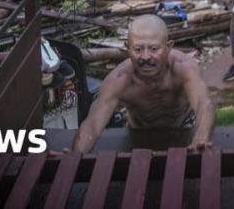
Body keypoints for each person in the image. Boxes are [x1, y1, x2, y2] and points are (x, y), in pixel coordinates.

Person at [72, 15, 215, 152]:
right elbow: (93, 124)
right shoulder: (120, 79)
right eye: (138, 49)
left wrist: (201, 137)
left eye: (154, 49)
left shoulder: (183, 67)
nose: (146, 57)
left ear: (168, 47)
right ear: (128, 48)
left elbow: (204, 103)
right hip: (139, 133)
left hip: (183, 126)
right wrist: (75, 155)